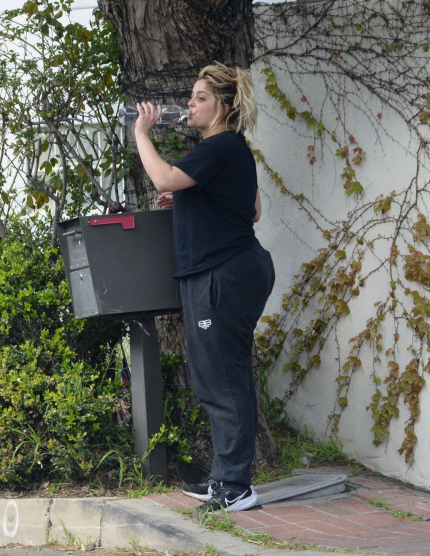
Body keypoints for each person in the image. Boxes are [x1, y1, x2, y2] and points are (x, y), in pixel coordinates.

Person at [133, 62, 275, 513]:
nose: (190, 105)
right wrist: (191, 197)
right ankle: (224, 479)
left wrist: (142, 133)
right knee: (218, 376)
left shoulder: (217, 147)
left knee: (224, 379)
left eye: (200, 98)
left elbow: (161, 177)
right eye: (192, 97)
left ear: (222, 107)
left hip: (222, 273)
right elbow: (250, 209)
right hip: (233, 269)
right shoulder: (234, 150)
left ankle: (236, 486)